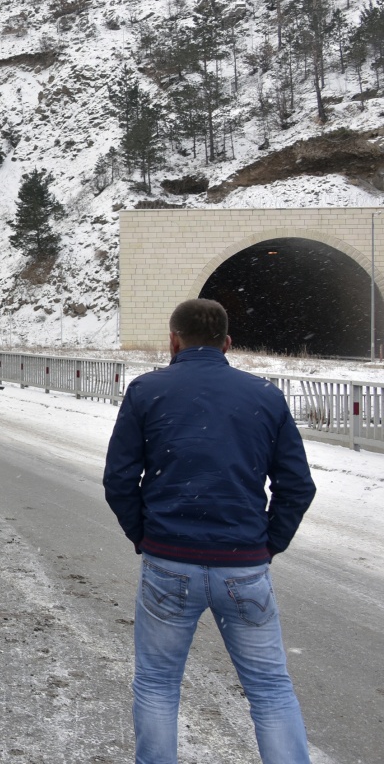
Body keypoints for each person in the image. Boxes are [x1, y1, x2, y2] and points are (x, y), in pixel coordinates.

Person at [103, 298, 315, 764]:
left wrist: (147, 536)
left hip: (168, 563)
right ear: (228, 343)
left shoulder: (147, 391)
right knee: (270, 690)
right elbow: (297, 485)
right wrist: (266, 543)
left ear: (173, 341)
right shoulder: (264, 395)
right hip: (244, 565)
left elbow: (119, 480)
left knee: (158, 685)